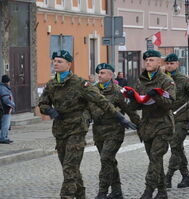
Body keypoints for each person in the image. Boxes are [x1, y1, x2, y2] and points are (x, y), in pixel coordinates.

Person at [39, 50, 135, 199]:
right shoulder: (51, 84)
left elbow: (100, 101)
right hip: (60, 129)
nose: (56, 64)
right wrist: (50, 111)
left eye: (60, 61)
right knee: (69, 167)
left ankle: (67, 196)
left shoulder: (80, 83)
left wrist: (120, 117)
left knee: (70, 168)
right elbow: (43, 103)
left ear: (69, 64)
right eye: (54, 61)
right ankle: (81, 194)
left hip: (77, 129)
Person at [125, 50, 176, 199]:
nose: (148, 63)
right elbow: (136, 107)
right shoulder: (141, 81)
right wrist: (132, 98)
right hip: (147, 127)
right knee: (155, 160)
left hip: (163, 125)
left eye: (152, 60)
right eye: (146, 60)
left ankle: (148, 191)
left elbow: (169, 104)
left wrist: (157, 96)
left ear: (159, 63)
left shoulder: (166, 81)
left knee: (155, 157)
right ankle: (162, 191)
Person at [93, 63, 140, 199]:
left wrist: (139, 126)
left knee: (106, 158)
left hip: (114, 130)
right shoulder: (93, 90)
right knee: (109, 161)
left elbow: (129, 110)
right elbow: (87, 108)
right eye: (99, 73)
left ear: (110, 75)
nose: (100, 76)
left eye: (103, 73)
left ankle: (102, 192)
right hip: (98, 131)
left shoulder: (118, 91)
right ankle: (117, 191)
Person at [164, 53, 189, 189]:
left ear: (177, 64)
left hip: (181, 119)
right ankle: (186, 177)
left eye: (172, 63)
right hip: (167, 119)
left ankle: (168, 176)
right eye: (167, 63)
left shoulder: (185, 80)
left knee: (175, 145)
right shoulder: (163, 80)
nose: (169, 66)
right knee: (178, 149)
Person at [0, 75, 15, 144]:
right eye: (9, 81)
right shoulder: (3, 88)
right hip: (5, 109)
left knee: (6, 124)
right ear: (7, 82)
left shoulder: (3, 87)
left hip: (6, 109)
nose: (9, 83)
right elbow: (6, 99)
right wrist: (12, 104)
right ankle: (3, 138)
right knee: (5, 124)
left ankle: (5, 137)